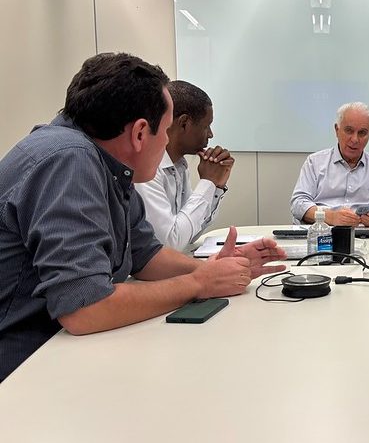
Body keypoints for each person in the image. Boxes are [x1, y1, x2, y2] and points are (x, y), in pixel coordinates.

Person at [0, 53, 286, 382]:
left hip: (60, 352)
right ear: (139, 133)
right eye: (165, 131)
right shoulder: (69, 161)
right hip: (21, 369)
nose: (166, 141)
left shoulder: (105, 163)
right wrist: (199, 284)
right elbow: (84, 308)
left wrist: (213, 269)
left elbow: (144, 254)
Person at [135, 80, 233, 250]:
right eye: (206, 126)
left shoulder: (179, 166)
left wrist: (216, 187)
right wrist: (207, 182)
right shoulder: (146, 171)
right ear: (184, 123)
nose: (210, 134)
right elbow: (169, 244)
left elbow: (190, 234)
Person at [289, 102, 369, 226]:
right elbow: (298, 204)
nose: (355, 139)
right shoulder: (315, 162)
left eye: (362, 133)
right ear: (337, 130)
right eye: (349, 131)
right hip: (322, 231)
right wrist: (329, 217)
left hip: (363, 232)